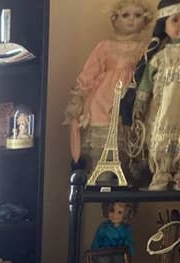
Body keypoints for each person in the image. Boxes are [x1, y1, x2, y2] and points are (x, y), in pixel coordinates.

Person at [64, 1, 153, 174]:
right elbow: (90, 73)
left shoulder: (146, 49)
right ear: (115, 19)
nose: (131, 20)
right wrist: (79, 97)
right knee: (102, 156)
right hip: (103, 103)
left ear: (146, 20)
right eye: (125, 15)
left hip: (131, 102)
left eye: (137, 15)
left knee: (129, 155)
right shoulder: (104, 47)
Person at [122, 0, 180, 189]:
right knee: (163, 141)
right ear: (163, 26)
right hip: (165, 111)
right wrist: (139, 103)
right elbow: (145, 83)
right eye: (175, 20)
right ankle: (162, 174)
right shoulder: (159, 58)